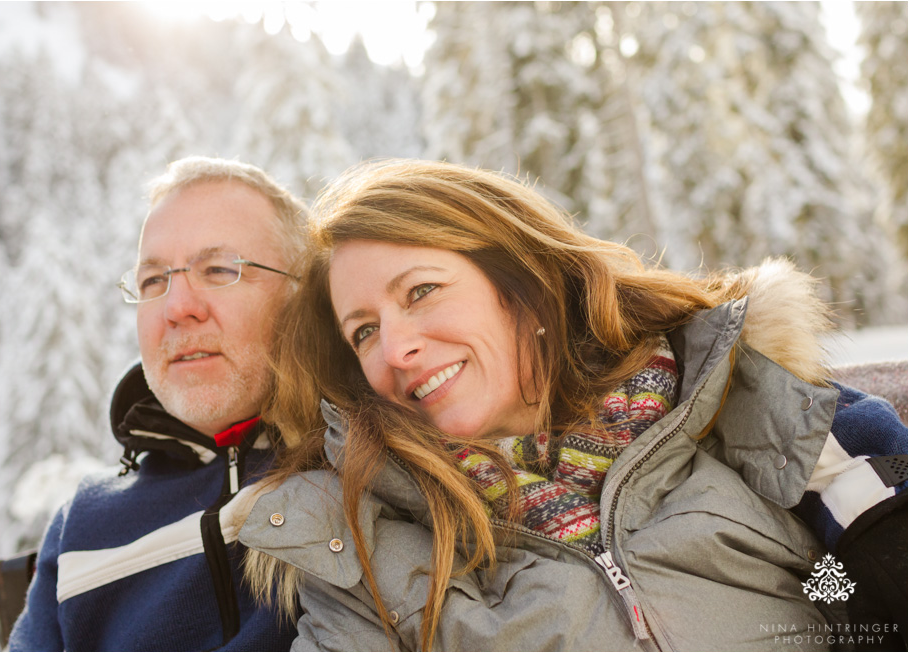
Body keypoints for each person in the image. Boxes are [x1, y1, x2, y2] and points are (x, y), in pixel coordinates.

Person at [239, 159, 907, 651]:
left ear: (522, 284)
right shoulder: (366, 546)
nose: (397, 347)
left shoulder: (739, 398)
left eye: (420, 292)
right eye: (364, 331)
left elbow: (877, 528)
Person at [9, 157, 306, 651]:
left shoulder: (359, 464)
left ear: (301, 295)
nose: (176, 307)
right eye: (152, 281)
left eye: (218, 269)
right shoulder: (84, 526)